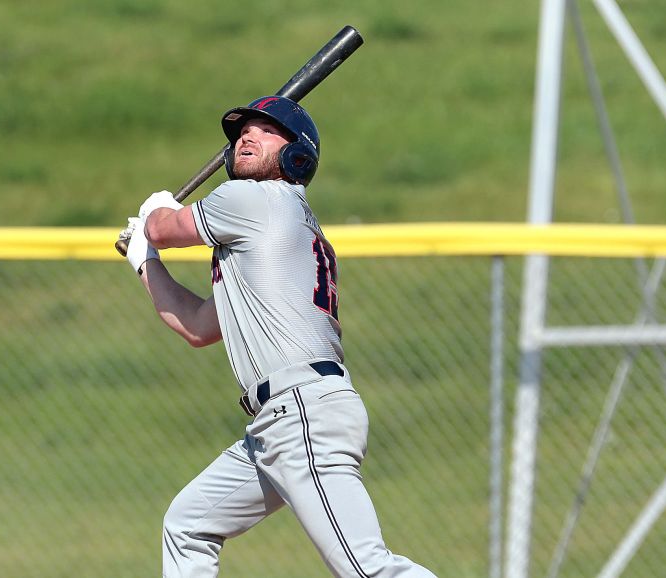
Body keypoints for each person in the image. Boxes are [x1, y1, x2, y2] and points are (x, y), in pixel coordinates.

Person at [119, 96, 438, 578]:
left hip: (302, 410)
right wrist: (146, 262)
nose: (247, 136)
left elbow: (167, 229)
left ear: (297, 155)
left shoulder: (256, 199)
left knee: (366, 568)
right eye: (241, 132)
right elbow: (198, 328)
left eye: (266, 130)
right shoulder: (259, 230)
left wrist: (155, 217)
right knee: (188, 526)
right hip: (280, 421)